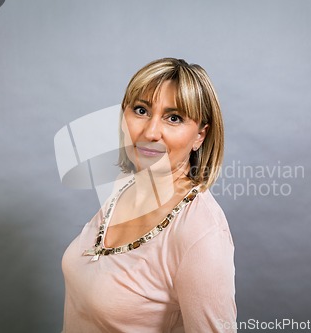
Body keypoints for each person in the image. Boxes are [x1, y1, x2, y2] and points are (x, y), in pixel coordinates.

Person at [61, 58, 236, 332]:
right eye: (141, 110)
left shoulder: (201, 231)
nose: (151, 132)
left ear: (200, 136)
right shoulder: (126, 186)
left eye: (174, 118)